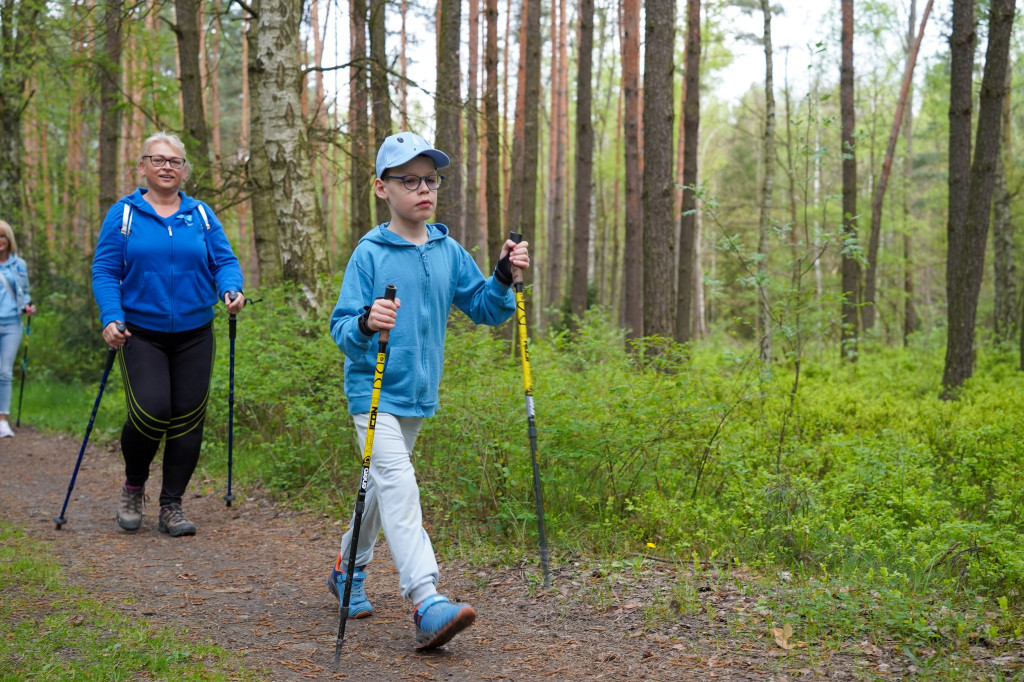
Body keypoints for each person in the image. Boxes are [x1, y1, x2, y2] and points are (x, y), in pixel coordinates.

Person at [327, 131, 531, 650]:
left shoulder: (446, 249)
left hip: (417, 396)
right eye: (409, 180)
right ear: (381, 188)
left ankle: (346, 571)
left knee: (377, 488)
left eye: (430, 179)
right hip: (371, 394)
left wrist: (503, 276)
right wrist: (368, 324)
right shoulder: (369, 254)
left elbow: (485, 307)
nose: (423, 188)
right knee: (398, 481)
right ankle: (425, 599)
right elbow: (342, 327)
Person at [91, 131, 244, 537]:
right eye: (157, 160)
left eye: (174, 161)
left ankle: (171, 504)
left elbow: (224, 261)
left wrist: (231, 288)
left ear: (184, 171)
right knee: (152, 410)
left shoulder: (201, 215)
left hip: (195, 330)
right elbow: (105, 270)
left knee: (189, 418)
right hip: (140, 332)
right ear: (142, 167)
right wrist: (111, 316)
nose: (166, 167)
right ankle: (133, 484)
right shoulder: (123, 214)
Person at [0, 220, 37, 438]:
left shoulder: (19, 265)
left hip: (12, 324)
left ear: (9, 239)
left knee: (4, 371)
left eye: (3, 236)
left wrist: (28, 307)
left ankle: (2, 419)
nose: (0, 241)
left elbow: (24, 293)